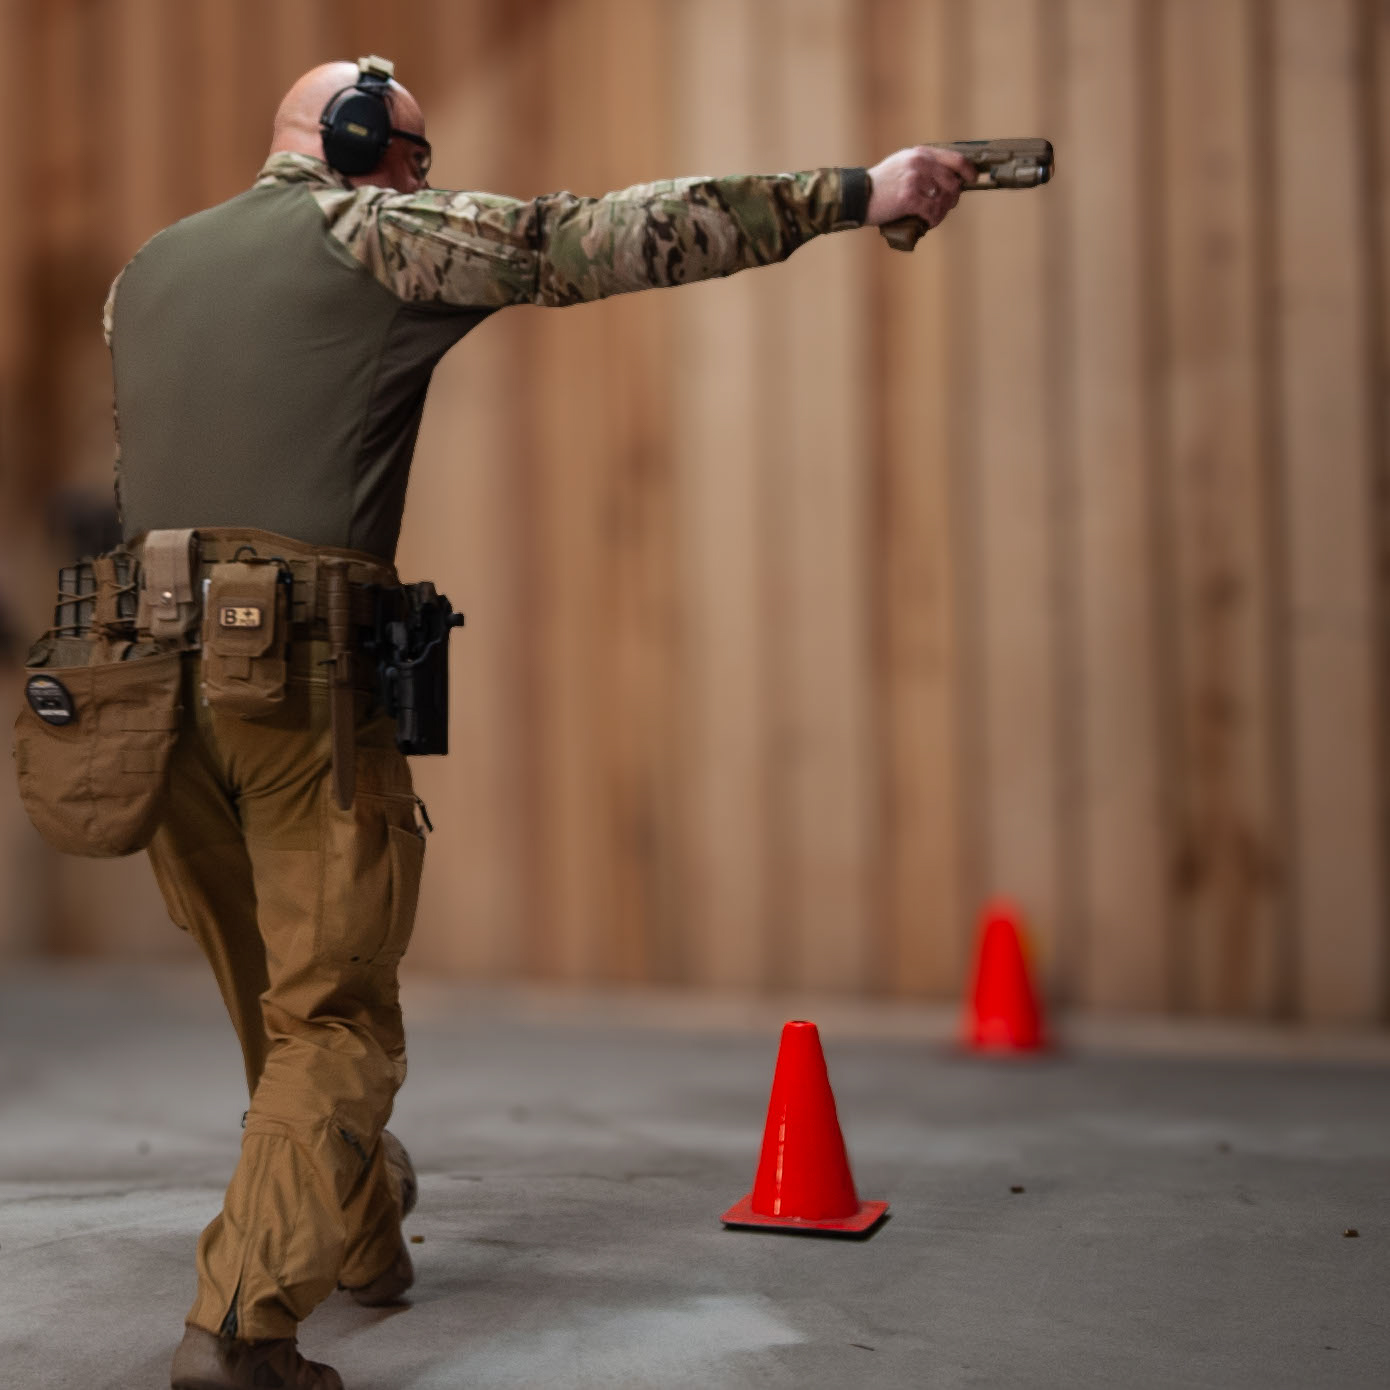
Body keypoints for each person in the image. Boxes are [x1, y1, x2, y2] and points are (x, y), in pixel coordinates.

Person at [98, 57, 973, 1390]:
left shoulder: (146, 272)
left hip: (136, 696)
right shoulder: (373, 233)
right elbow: (599, 238)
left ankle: (361, 1236)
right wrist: (859, 191)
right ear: (351, 142)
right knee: (333, 1012)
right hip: (291, 686)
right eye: (408, 152)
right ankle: (238, 1329)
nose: (419, 176)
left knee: (280, 1011)